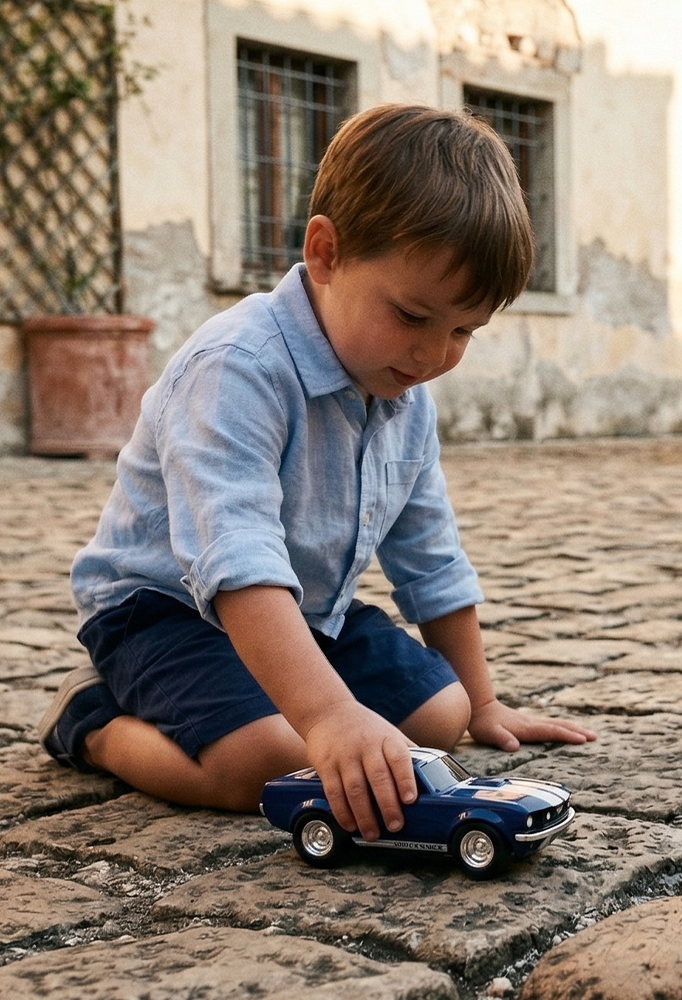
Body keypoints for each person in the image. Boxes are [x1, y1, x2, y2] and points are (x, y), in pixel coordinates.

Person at [38, 103, 596, 843]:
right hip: (162, 612)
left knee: (443, 715)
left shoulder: (402, 392)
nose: (433, 355)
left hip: (302, 611)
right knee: (273, 762)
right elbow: (236, 559)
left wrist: (484, 703)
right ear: (327, 253)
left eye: (464, 330)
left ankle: (310, 697)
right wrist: (329, 715)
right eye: (412, 316)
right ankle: (93, 722)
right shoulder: (237, 367)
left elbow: (430, 556)